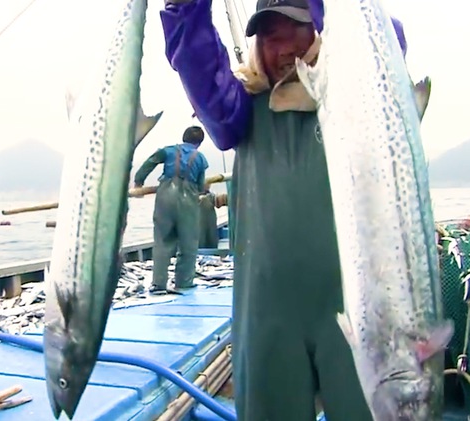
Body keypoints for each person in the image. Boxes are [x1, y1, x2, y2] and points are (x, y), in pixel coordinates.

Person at [159, 0, 408, 420]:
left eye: (296, 30)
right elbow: (194, 53)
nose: (283, 48)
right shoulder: (236, 109)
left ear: (319, 30)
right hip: (267, 321)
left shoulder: (351, 97)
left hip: (354, 315)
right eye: (271, 36)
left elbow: (390, 38)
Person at [134, 125, 209, 294]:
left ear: (184, 137)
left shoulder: (167, 151)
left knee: (162, 241)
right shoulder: (201, 158)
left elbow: (149, 162)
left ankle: (159, 283)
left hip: (165, 197)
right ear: (199, 142)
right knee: (188, 243)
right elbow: (200, 186)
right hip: (188, 200)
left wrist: (139, 181)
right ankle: (184, 282)